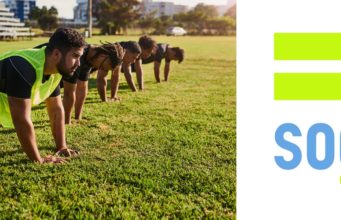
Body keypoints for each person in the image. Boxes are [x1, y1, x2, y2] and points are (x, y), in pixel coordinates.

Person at [0, 27, 86, 164]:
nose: (79, 63)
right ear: (56, 54)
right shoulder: (24, 66)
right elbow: (21, 119)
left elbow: (56, 109)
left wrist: (61, 146)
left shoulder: (55, 69)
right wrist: (38, 160)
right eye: (75, 56)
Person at [61, 42, 124, 124]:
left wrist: (77, 118)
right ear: (103, 56)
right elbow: (69, 93)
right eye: (102, 67)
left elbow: (82, 89)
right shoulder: (80, 55)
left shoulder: (90, 58)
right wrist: (67, 122)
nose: (99, 69)